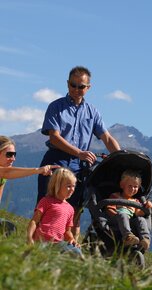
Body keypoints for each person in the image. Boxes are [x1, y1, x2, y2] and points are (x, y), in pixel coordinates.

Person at [37, 66, 121, 240]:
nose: (76, 89)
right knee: (45, 206)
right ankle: (37, 248)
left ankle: (70, 250)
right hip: (56, 159)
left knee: (75, 210)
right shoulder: (56, 107)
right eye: (73, 85)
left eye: (81, 86)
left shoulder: (93, 112)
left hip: (79, 167)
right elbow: (54, 138)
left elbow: (106, 138)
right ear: (67, 84)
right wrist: (79, 153)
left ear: (88, 88)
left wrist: (121, 159)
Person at [27, 167, 83, 259]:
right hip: (41, 242)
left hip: (57, 244)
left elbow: (67, 231)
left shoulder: (70, 209)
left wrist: (72, 239)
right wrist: (29, 237)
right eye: (68, 186)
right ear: (57, 185)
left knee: (76, 253)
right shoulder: (46, 201)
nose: (72, 189)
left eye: (74, 186)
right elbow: (34, 221)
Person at [0, 135, 58, 203]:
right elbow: (6, 172)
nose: (13, 159)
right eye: (9, 154)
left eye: (14, 155)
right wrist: (38, 170)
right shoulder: (4, 173)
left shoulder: (3, 176)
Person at [106, 169, 152, 251]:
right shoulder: (115, 196)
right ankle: (127, 237)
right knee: (123, 214)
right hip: (116, 221)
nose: (132, 189)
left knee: (141, 219)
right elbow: (110, 208)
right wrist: (116, 215)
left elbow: (138, 213)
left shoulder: (135, 201)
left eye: (135, 187)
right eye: (130, 186)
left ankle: (145, 239)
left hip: (131, 222)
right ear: (122, 185)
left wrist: (147, 206)